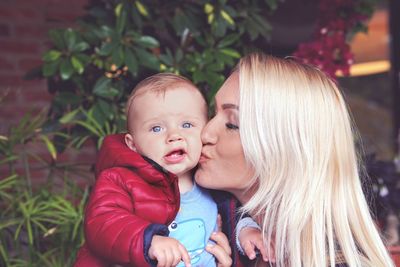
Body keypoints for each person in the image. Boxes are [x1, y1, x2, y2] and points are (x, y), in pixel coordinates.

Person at [195, 53, 395, 267]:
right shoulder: (218, 232)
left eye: (232, 124)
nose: (205, 134)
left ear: (284, 150)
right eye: (212, 114)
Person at [74, 73, 264, 267]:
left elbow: (233, 212)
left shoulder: (211, 179)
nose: (174, 136)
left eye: (187, 125)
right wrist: (148, 241)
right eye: (157, 128)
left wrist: (246, 230)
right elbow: (102, 223)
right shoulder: (121, 180)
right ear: (133, 144)